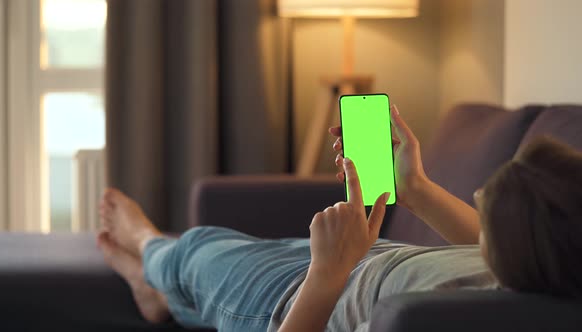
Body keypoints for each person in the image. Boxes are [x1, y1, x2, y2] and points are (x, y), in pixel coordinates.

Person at [97, 105, 582, 332]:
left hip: (297, 299)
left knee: (199, 247)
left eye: (487, 212)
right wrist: (415, 190)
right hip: (361, 257)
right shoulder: (555, 272)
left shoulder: (426, 322)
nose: (474, 197)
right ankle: (157, 294)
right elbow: (488, 254)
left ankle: (146, 244)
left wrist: (327, 274)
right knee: (210, 274)